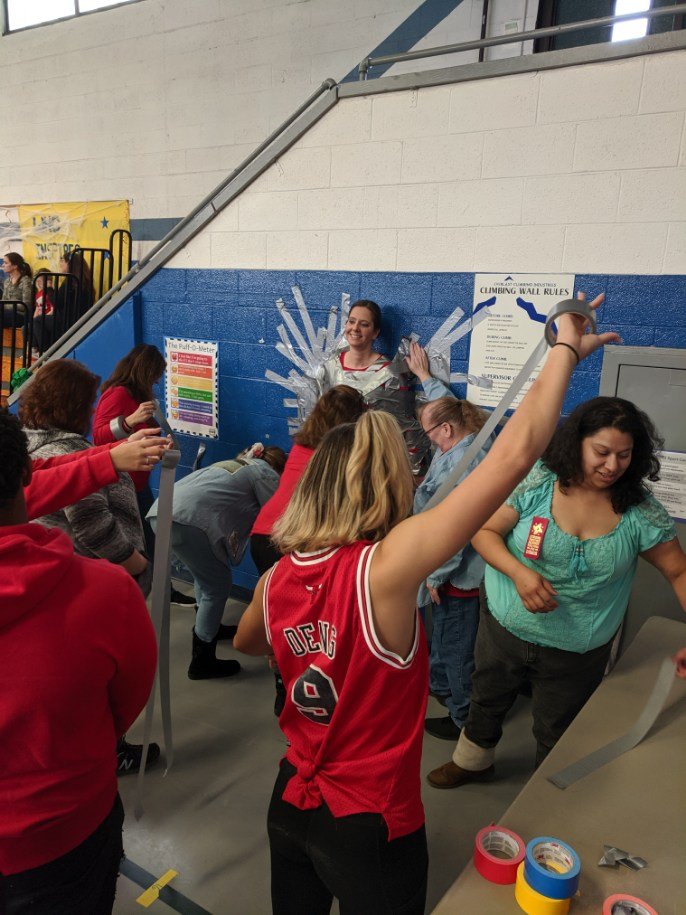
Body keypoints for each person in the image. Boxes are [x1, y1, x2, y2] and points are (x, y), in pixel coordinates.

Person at [234, 294, 616, 915]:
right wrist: (565, 349)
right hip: (368, 817)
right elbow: (514, 454)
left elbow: (250, 642)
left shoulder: (276, 578)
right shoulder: (385, 568)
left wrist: (313, 644)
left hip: (290, 797)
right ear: (387, 486)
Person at [428, 396, 686, 790]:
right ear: (577, 443)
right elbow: (484, 531)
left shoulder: (640, 512)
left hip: (577, 649)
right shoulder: (538, 481)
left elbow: (679, 571)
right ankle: (472, 762)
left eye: (624, 455)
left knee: (558, 725)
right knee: (487, 698)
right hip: (504, 628)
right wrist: (519, 573)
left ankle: (542, 799)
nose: (612, 466)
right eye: (601, 452)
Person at [0, 409, 157, 914]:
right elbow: (124, 702)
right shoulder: (105, 593)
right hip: (62, 839)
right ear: (24, 472)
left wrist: (109, 454)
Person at [18, 358, 159, 775]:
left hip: (67, 581)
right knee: (97, 672)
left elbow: (45, 474)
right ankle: (109, 747)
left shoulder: (28, 444)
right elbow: (89, 521)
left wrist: (111, 456)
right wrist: (134, 564)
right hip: (95, 574)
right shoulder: (60, 448)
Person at [251, 384, 368, 714]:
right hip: (294, 541)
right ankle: (307, 690)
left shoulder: (302, 444)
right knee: (310, 626)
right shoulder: (339, 454)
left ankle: (284, 687)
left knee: (282, 624)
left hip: (264, 535)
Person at [147, 444, 286, 680]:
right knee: (217, 586)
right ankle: (202, 661)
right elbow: (278, 513)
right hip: (188, 520)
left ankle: (211, 626)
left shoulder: (234, 465)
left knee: (204, 577)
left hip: (161, 513)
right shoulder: (264, 471)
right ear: (278, 468)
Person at [92, 343, 195, 607]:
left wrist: (162, 444)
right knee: (138, 545)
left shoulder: (139, 395)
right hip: (120, 484)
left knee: (152, 542)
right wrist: (130, 420)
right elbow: (99, 436)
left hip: (137, 482)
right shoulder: (118, 394)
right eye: (154, 375)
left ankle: (162, 591)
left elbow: (144, 435)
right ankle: (133, 597)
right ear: (144, 371)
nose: (156, 381)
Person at [313, 299, 429, 476]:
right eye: (351, 321)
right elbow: (318, 420)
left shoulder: (390, 375)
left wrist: (412, 473)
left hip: (372, 466)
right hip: (334, 461)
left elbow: (404, 428)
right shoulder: (328, 368)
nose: (355, 328)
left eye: (364, 324)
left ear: (375, 333)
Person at [2, 252, 32, 328]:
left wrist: (5, 305)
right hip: (7, 313)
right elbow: (4, 300)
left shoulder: (25, 281)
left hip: (21, 315)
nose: (3, 265)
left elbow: (26, 305)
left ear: (15, 266)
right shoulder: (7, 281)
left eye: (6, 263)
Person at [31, 268, 56, 354]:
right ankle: (33, 348)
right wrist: (34, 319)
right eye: (37, 281)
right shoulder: (38, 293)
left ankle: (44, 350)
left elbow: (53, 308)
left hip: (47, 317)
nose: (38, 283)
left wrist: (45, 316)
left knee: (37, 323)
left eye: (40, 281)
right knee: (25, 328)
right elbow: (37, 308)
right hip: (39, 318)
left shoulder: (50, 293)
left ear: (48, 281)